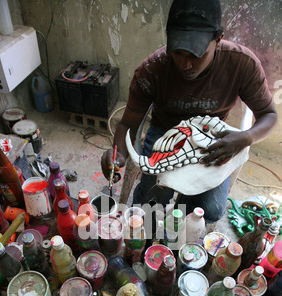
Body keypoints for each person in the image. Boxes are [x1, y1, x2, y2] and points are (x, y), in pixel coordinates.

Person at [101, 0, 277, 224]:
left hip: (211, 141)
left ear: (218, 39)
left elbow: (269, 115)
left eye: (196, 55)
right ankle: (150, 230)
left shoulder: (241, 64)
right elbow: (127, 124)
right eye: (178, 52)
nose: (185, 64)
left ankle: (178, 229)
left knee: (209, 210)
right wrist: (119, 155)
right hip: (165, 134)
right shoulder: (153, 70)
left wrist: (245, 137)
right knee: (150, 202)